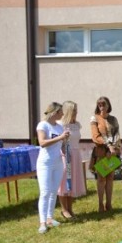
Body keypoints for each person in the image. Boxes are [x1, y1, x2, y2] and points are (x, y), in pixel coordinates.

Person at [36, 102, 70, 234]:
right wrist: (61, 137)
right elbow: (42, 142)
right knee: (45, 191)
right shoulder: (43, 125)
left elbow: (61, 144)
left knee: (53, 191)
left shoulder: (60, 127)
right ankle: (42, 222)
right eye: (61, 112)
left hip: (57, 162)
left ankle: (50, 218)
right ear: (55, 112)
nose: (62, 114)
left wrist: (65, 141)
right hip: (45, 163)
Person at [90, 96, 120, 213]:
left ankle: (109, 204)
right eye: (99, 105)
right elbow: (95, 136)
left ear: (108, 106)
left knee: (110, 178)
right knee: (101, 178)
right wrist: (108, 146)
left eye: (104, 104)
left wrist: (114, 149)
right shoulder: (95, 118)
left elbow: (117, 134)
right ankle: (100, 204)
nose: (102, 107)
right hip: (101, 152)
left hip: (112, 153)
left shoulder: (114, 119)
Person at [57, 100, 86, 219]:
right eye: (74, 110)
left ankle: (70, 208)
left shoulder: (77, 124)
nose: (76, 112)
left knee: (72, 181)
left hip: (75, 154)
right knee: (64, 181)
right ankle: (64, 209)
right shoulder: (60, 124)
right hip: (65, 155)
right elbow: (58, 140)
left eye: (76, 109)